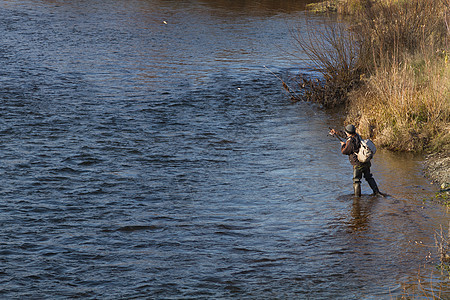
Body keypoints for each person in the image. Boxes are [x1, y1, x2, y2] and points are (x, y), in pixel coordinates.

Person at [329, 125, 382, 197]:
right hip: (365, 161)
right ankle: (377, 192)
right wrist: (336, 132)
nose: (345, 133)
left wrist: (343, 145)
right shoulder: (357, 135)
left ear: (349, 133)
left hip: (357, 164)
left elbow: (345, 151)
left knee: (356, 181)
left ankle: (357, 198)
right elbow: (345, 135)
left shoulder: (350, 141)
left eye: (346, 132)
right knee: (369, 177)